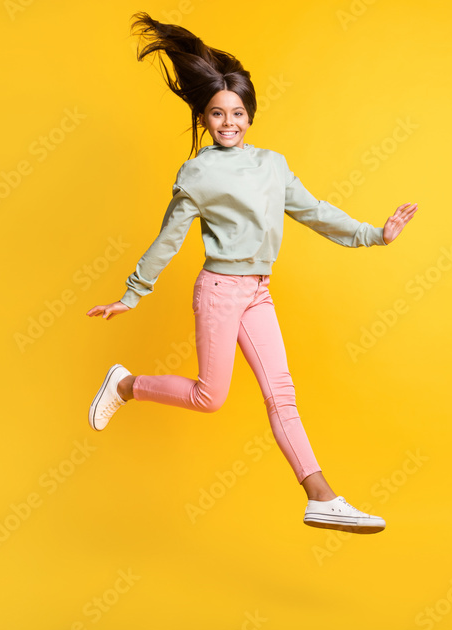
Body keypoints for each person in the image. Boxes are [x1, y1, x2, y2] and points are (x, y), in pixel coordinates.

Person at [86, 12, 417, 534]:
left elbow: (315, 211)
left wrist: (374, 233)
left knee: (280, 394)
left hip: (258, 292)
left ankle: (321, 497)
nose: (228, 123)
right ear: (204, 118)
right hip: (219, 291)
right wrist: (133, 293)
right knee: (209, 397)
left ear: (250, 114)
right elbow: (169, 237)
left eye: (237, 112)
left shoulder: (273, 165)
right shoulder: (197, 173)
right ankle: (126, 386)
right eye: (217, 114)